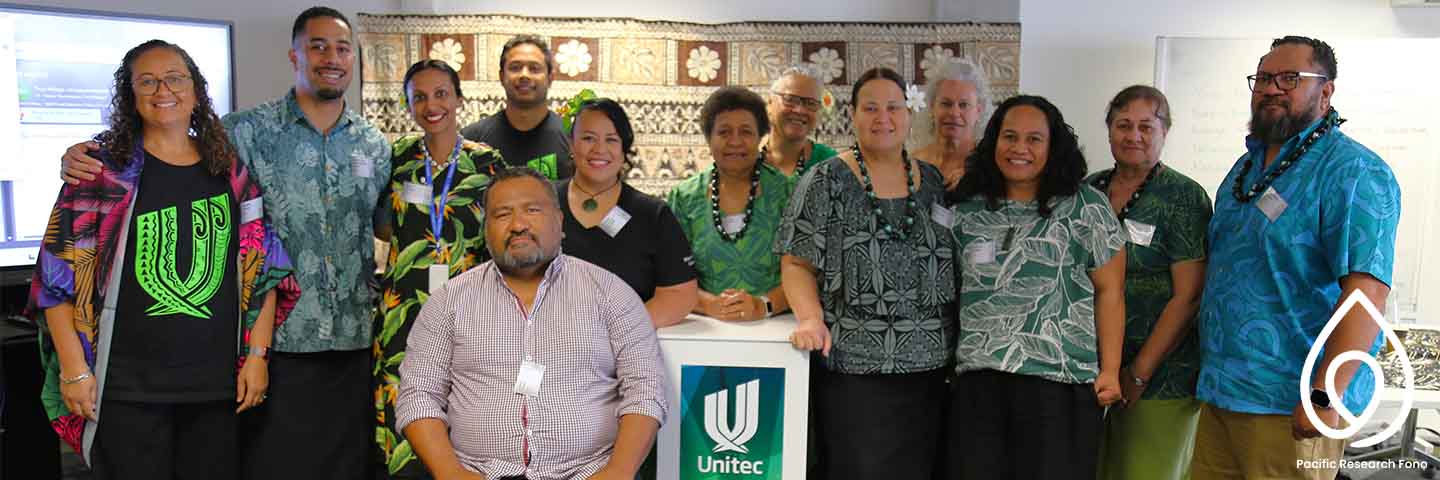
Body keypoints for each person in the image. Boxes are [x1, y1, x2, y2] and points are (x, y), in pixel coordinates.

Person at [61, 7, 392, 478]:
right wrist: (79, 157)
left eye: (341, 48)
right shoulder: (242, 133)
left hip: (353, 338)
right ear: (294, 54)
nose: (331, 58)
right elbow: (164, 145)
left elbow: (386, 223)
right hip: (276, 342)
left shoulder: (376, 145)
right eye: (317, 45)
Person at [27, 39, 299, 478]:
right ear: (130, 96)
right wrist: (75, 369)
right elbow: (56, 279)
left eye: (175, 78)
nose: (162, 90)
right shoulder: (102, 172)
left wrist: (257, 357)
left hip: (214, 388)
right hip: (124, 388)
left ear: (195, 90)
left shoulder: (229, 171)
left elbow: (264, 271)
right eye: (147, 81)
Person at [1191, 36, 1400, 480]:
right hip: (1224, 392)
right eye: (1264, 78)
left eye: (1290, 78)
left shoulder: (1354, 171)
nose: (1271, 88)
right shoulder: (1244, 170)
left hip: (1292, 400)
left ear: (1326, 91)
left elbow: (1367, 291)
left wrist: (1325, 393)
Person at [396, 167, 666, 480]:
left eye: (532, 210)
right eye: (502, 214)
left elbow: (646, 389)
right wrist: (450, 473)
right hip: (477, 473)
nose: (518, 225)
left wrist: (619, 471)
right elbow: (418, 395)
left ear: (560, 221)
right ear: (486, 230)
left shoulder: (611, 294)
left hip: (589, 472)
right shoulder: (448, 302)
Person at [778, 67, 955, 478]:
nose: (883, 118)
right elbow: (796, 262)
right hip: (855, 369)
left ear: (909, 115)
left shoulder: (931, 181)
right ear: (853, 116)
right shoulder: (825, 180)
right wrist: (810, 318)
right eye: (871, 108)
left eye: (893, 107)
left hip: (929, 369)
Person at [947, 94, 1126, 480]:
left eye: (1034, 139)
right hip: (981, 383)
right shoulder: (966, 210)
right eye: (1009, 137)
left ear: (1053, 146)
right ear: (994, 141)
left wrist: (1110, 370)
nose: (1020, 149)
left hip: (1060, 386)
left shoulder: (1086, 207)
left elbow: (1110, 290)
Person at [373, 59, 504, 479]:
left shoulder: (487, 165)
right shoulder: (396, 159)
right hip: (404, 308)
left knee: (466, 405)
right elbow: (380, 224)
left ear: (459, 98)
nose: (432, 105)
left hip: (470, 311)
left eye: (441, 94)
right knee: (405, 406)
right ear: (409, 104)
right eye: (420, 97)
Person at [1087, 85, 1211, 480]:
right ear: (1108, 131)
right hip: (1090, 370)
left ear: (1164, 132)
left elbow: (1189, 296)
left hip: (1162, 375)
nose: (1133, 136)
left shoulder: (1183, 197)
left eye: (1145, 126)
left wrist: (1139, 372)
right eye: (1123, 125)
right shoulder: (1088, 191)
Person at [558, 97, 698, 328]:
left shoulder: (652, 214)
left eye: (611, 140)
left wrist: (618, 330)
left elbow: (680, 293)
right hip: (545, 346)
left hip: (623, 351)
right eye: (588, 138)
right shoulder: (542, 203)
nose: (599, 149)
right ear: (571, 145)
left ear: (625, 150)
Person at [668, 86, 793, 321]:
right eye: (724, 132)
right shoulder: (684, 199)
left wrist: (762, 306)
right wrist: (710, 305)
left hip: (778, 328)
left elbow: (806, 270)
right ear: (709, 138)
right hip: (704, 328)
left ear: (760, 137)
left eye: (746, 132)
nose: (735, 141)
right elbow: (671, 275)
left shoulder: (789, 193)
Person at [460, 34, 574, 179]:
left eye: (534, 68)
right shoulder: (471, 140)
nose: (524, 75)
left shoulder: (573, 138)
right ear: (501, 76)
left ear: (551, 78)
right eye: (515, 68)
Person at [912, 58, 989, 190]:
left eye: (964, 105)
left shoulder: (989, 165)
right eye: (946, 104)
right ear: (931, 107)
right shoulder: (913, 163)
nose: (954, 113)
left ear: (978, 111)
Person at [761, 66, 838, 180]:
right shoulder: (742, 157)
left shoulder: (831, 164)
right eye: (790, 99)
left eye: (811, 103)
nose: (800, 110)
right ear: (769, 104)